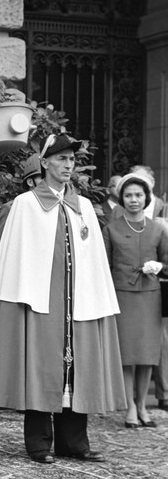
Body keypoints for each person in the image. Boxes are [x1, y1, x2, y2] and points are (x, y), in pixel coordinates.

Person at [0, 133, 125, 464]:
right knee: (41, 366)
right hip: (42, 301)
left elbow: (94, 260)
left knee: (78, 370)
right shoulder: (25, 204)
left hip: (79, 302)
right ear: (45, 163)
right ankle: (39, 443)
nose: (68, 165)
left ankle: (74, 442)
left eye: (72, 160)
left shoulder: (84, 206)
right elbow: (14, 257)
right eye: (61, 159)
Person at [102, 173, 168, 429]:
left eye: (138, 195)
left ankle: (142, 406)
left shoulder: (157, 229)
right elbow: (104, 267)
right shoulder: (111, 229)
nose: (133, 200)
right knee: (127, 355)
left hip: (150, 298)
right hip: (122, 296)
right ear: (121, 198)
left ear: (146, 198)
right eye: (128, 195)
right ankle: (129, 406)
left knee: (148, 354)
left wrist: (159, 266)